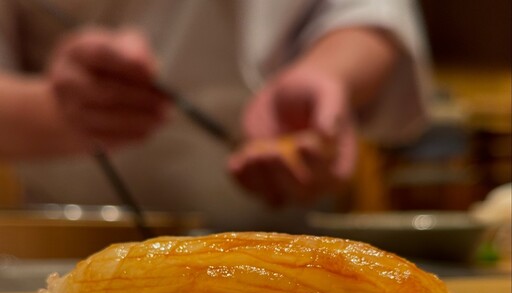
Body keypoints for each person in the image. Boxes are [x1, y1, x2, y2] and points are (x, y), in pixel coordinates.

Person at [0, 0, 430, 230]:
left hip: (283, 238)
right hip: (67, 239)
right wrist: (56, 108)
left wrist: (326, 73)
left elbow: (368, 12)